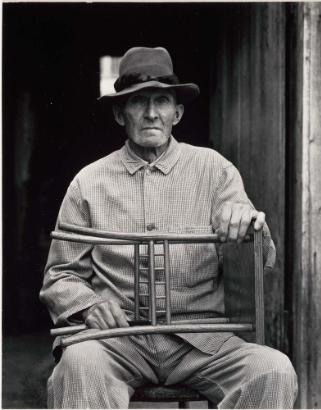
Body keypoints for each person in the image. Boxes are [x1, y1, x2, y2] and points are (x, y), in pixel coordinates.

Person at [40, 47, 297, 409]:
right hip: (117, 339)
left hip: (202, 341)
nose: (150, 113)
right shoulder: (88, 182)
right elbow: (60, 276)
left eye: (161, 101)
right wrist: (88, 307)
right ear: (119, 113)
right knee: (79, 365)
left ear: (176, 113)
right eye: (137, 102)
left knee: (273, 371)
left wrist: (245, 218)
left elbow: (259, 247)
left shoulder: (214, 169)